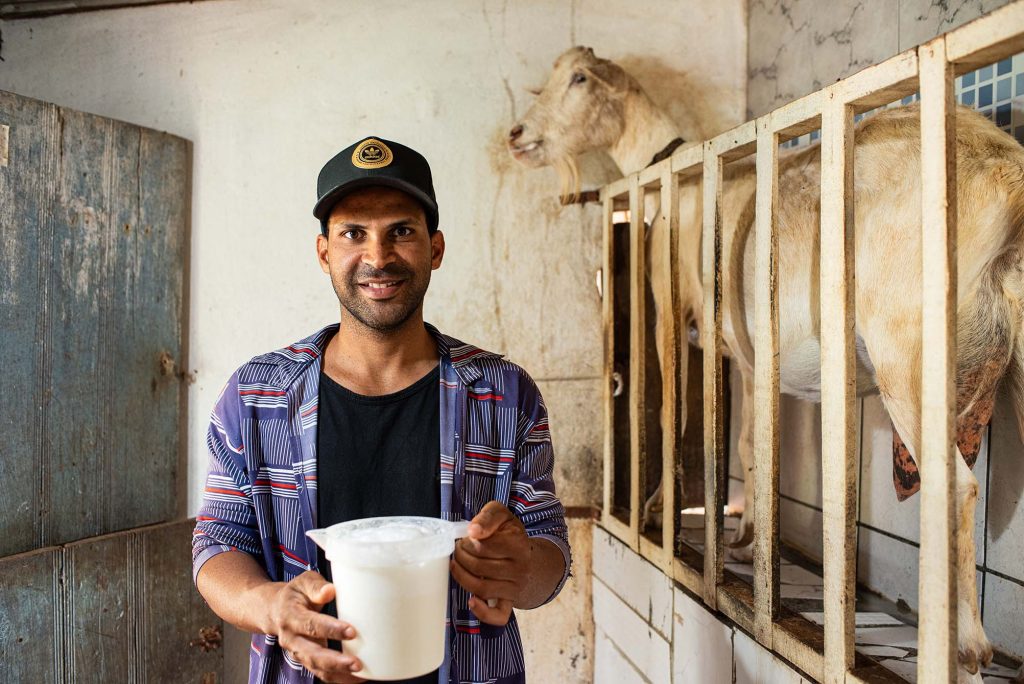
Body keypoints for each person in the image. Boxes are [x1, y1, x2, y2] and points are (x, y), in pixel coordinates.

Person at [192, 136, 571, 684]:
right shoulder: (257, 395)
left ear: (435, 249)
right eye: (353, 234)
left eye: (402, 231)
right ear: (324, 253)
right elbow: (217, 545)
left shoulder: (503, 392)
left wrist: (519, 568)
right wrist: (271, 605)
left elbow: (547, 551)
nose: (378, 256)